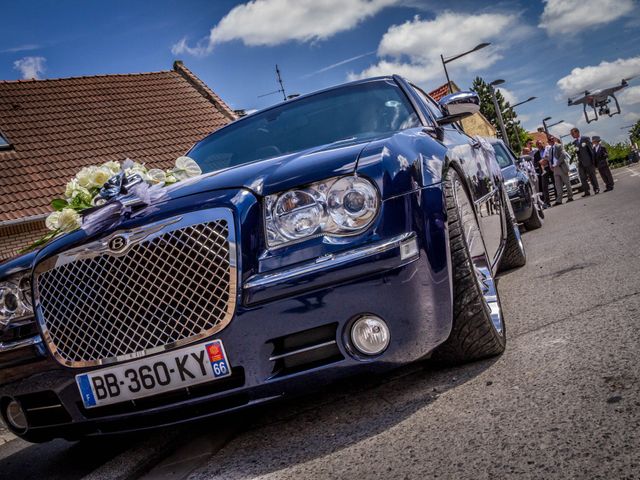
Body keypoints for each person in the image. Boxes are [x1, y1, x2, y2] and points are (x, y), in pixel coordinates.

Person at [570, 127, 599, 197]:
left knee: (592, 176)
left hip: (588, 161)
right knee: (582, 177)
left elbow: (591, 150)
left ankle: (596, 188)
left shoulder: (585, 139)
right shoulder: (574, 143)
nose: (572, 135)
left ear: (577, 132)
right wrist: (573, 154)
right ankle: (586, 191)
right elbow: (574, 153)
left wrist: (593, 161)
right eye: (571, 134)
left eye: (572, 134)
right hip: (580, 163)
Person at [546, 135, 573, 205]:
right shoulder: (550, 149)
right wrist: (551, 166)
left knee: (567, 183)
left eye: (552, 139)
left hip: (561, 167)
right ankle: (559, 200)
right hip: (555, 169)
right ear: (548, 142)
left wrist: (557, 163)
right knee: (558, 185)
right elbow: (550, 159)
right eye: (549, 140)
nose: (551, 141)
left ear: (554, 140)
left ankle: (570, 197)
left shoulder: (559, 146)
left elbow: (563, 155)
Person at [532, 140, 551, 207]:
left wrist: (546, 161)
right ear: (536, 146)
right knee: (544, 186)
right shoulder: (536, 154)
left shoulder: (547, 149)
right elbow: (535, 164)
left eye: (540, 143)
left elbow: (551, 157)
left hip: (551, 168)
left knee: (555, 183)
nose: (539, 145)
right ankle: (547, 202)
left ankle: (558, 199)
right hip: (543, 171)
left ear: (542, 143)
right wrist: (539, 162)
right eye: (537, 144)